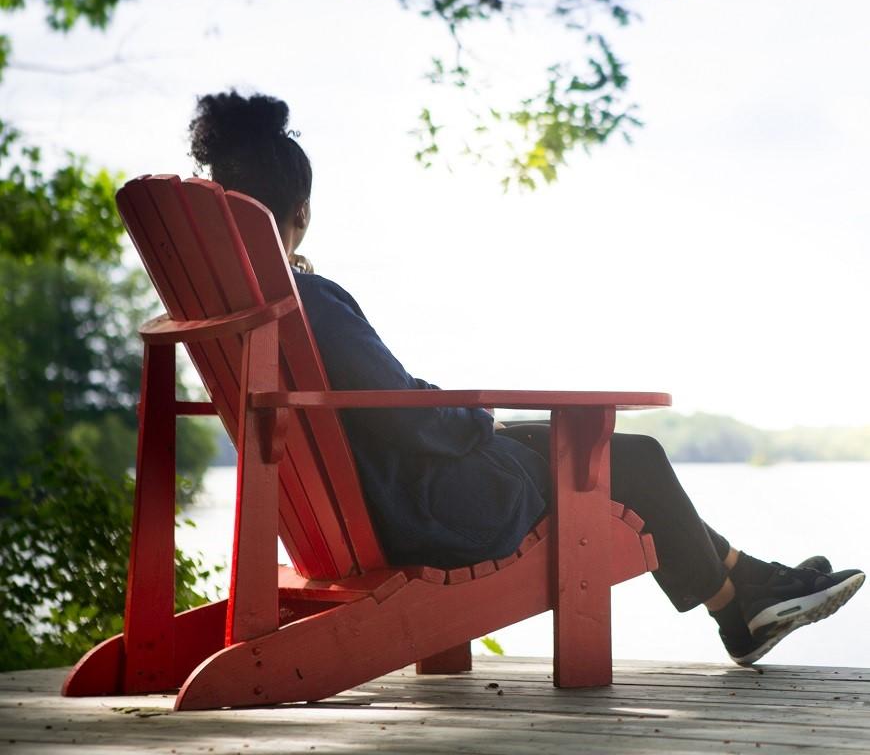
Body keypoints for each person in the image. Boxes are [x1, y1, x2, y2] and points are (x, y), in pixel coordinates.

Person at [188, 90, 864, 667]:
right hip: (432, 507)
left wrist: (467, 422)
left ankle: (745, 597)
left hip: (371, 499)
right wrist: (475, 420)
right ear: (300, 213)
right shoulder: (306, 302)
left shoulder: (230, 305)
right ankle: (743, 604)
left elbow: (378, 408)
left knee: (629, 456)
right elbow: (406, 414)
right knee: (620, 458)